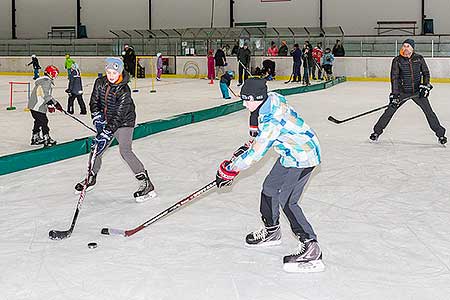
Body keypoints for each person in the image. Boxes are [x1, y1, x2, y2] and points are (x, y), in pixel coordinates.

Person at [215, 78, 324, 273]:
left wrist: (230, 169)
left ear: (257, 98)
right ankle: (272, 232)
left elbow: (256, 153)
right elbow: (257, 140)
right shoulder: (270, 99)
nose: (243, 103)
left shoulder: (272, 120)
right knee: (270, 188)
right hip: (290, 153)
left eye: (247, 99)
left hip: (304, 155)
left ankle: (311, 248)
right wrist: (248, 146)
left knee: (288, 200)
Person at [74, 58, 157, 202]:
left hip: (124, 121)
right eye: (108, 72)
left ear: (119, 72)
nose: (111, 75)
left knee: (125, 151)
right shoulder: (100, 82)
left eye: (114, 72)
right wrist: (97, 117)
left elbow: (119, 115)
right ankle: (91, 177)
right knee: (96, 148)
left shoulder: (124, 90)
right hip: (106, 119)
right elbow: (94, 101)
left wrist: (107, 132)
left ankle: (146, 182)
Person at [369, 39, 447, 145]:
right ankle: (376, 132)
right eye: (404, 46)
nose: (405, 48)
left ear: (412, 48)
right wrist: (395, 95)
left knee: (429, 112)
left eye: (408, 46)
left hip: (417, 92)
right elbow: (394, 78)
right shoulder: (397, 60)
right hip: (403, 92)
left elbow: (426, 73)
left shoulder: (419, 58)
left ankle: (441, 134)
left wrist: (425, 86)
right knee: (389, 111)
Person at [28, 65, 63, 147]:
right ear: (50, 73)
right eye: (54, 74)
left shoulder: (44, 81)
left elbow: (48, 96)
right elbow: (46, 95)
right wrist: (50, 104)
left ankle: (35, 137)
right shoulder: (46, 81)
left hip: (35, 106)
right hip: (37, 106)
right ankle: (46, 138)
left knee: (38, 121)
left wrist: (56, 104)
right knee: (44, 121)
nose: (55, 76)